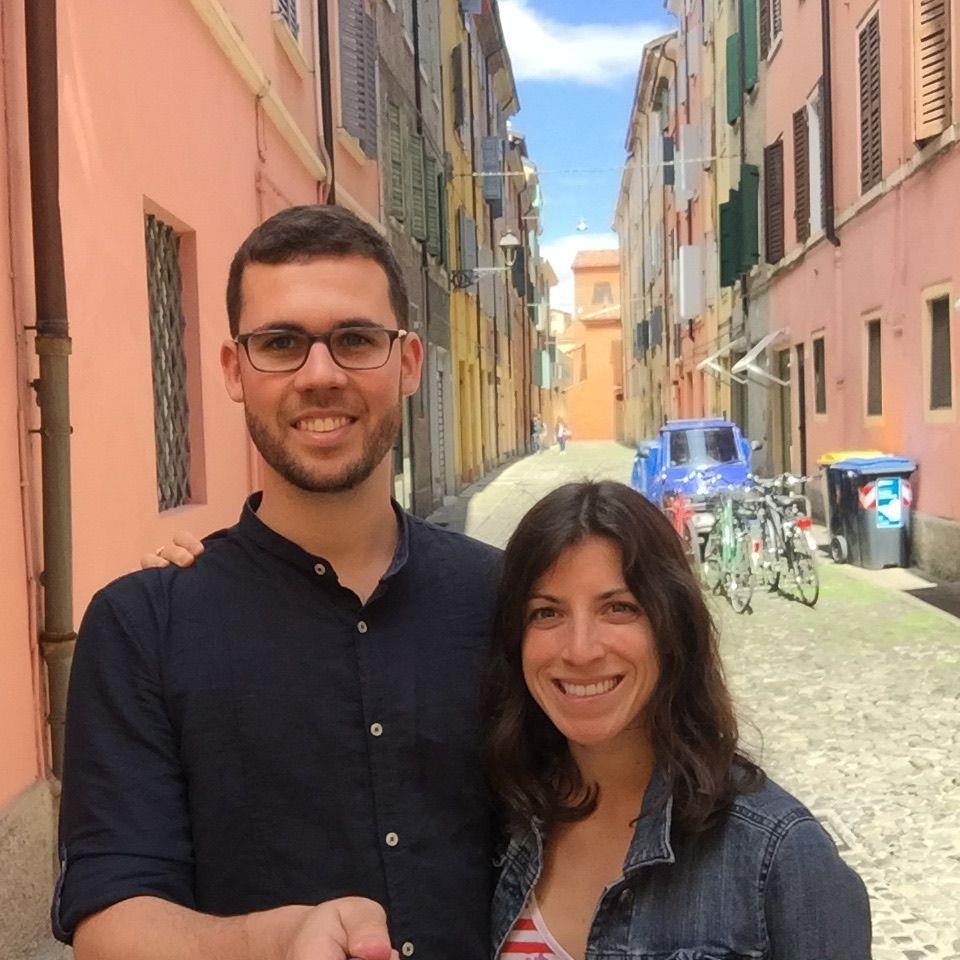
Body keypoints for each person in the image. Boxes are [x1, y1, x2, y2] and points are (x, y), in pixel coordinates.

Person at [55, 205, 501, 960]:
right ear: (235, 370)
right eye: (281, 344)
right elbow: (110, 920)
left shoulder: (503, 598)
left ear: (409, 363)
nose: (320, 376)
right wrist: (282, 939)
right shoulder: (143, 627)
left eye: (356, 339)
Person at [483, 481, 871, 960]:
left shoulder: (781, 856)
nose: (580, 651)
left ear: (673, 625)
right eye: (546, 612)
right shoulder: (502, 822)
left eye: (618, 608)